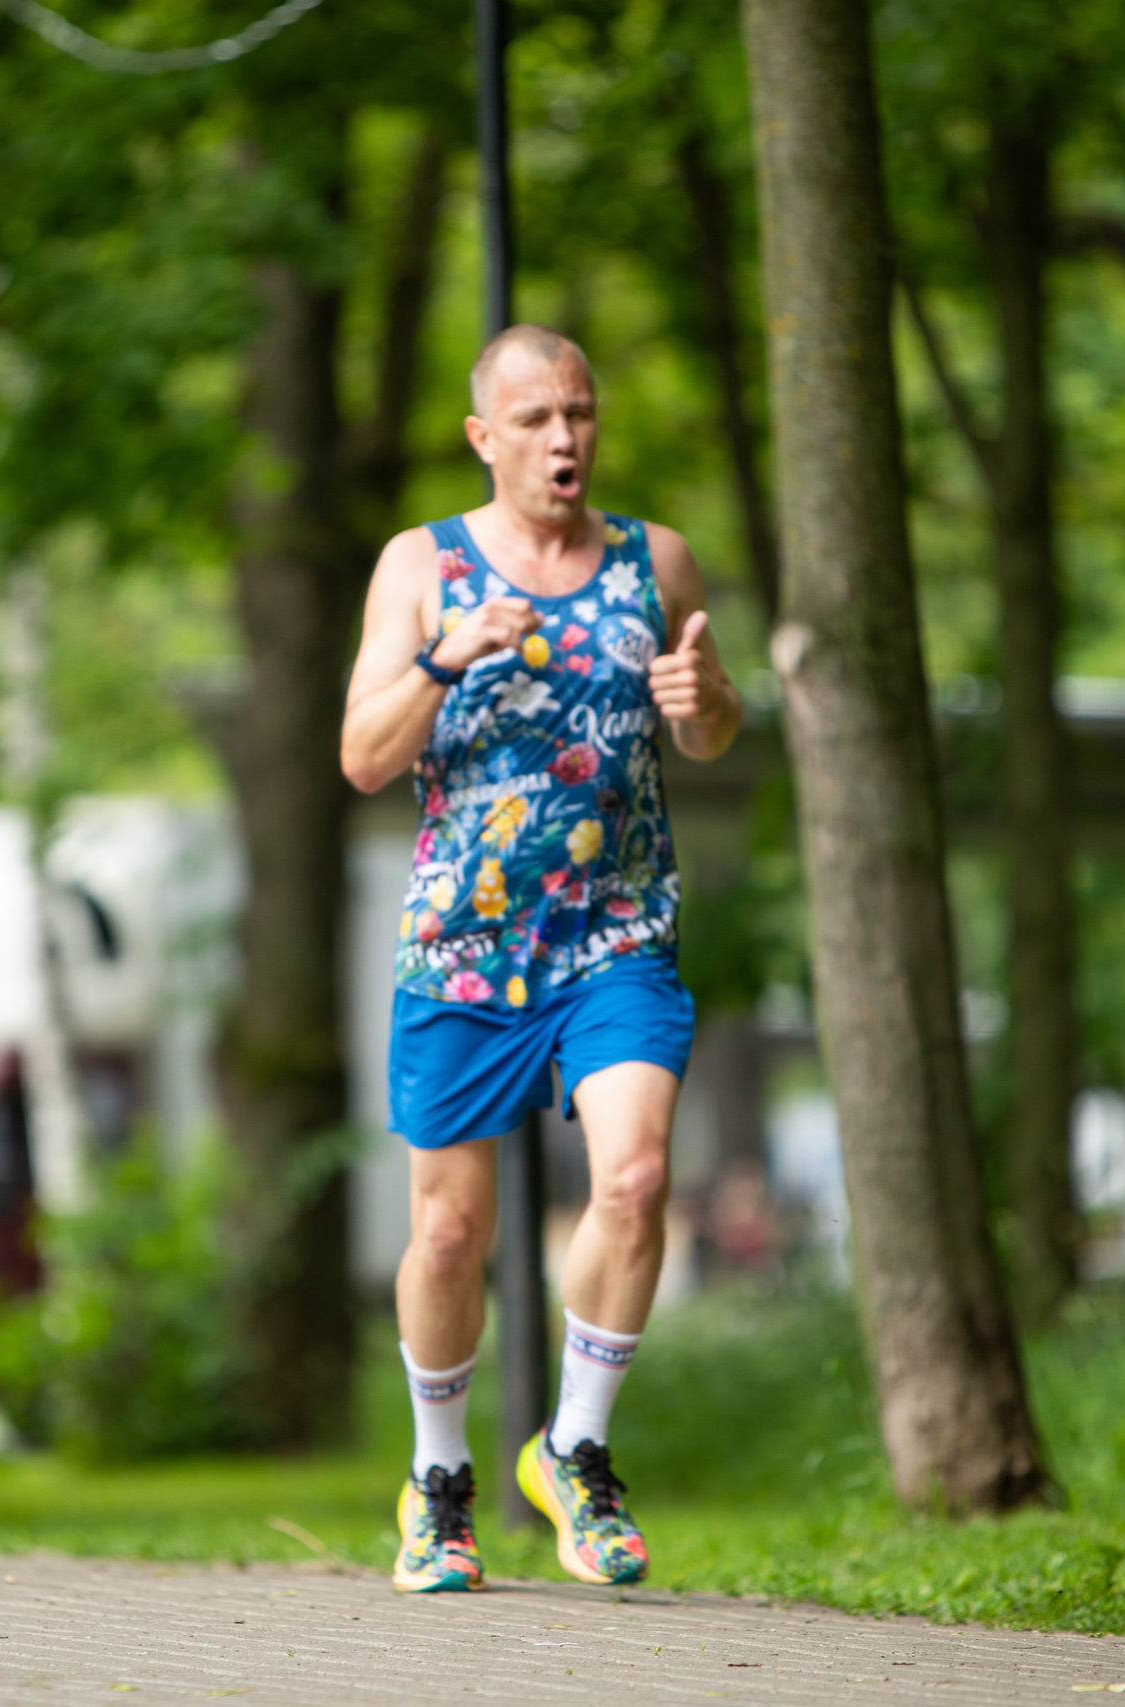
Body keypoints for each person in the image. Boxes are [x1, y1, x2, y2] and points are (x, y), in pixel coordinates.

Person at [340, 325, 742, 1592]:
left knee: (630, 1177)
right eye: (533, 419)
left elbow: (711, 729)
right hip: (462, 944)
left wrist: (711, 702)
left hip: (614, 931)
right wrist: (440, 656)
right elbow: (360, 757)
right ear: (483, 437)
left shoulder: (652, 559)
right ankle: (440, 1482)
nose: (564, 437)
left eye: (578, 412)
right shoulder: (422, 566)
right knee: (449, 1236)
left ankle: (572, 1451)